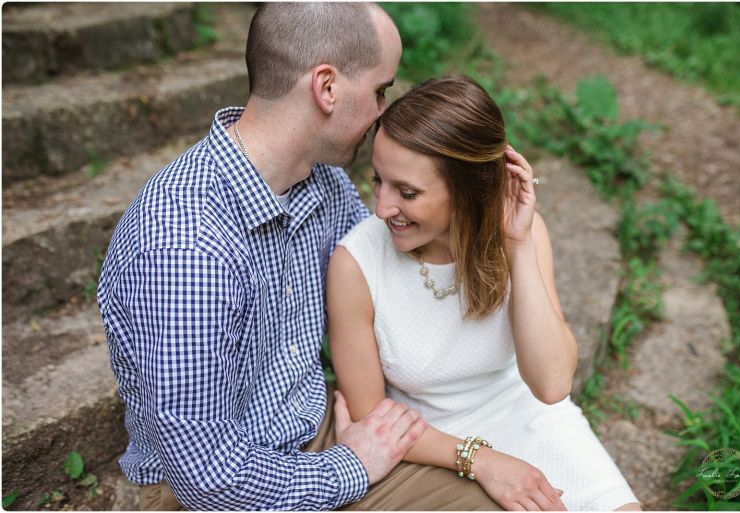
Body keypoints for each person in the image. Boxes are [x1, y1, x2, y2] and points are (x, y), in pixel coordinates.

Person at [97, 4, 429, 510]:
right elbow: (209, 479)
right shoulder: (187, 249)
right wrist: (352, 465)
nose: (384, 110)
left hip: (315, 429)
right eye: (380, 90)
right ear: (327, 88)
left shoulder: (322, 182)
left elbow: (388, 279)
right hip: (234, 488)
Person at [327, 75, 643, 511]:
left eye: (408, 192)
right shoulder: (356, 263)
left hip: (529, 417)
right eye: (378, 180)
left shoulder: (518, 236)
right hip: (426, 443)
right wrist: (481, 459)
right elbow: (369, 416)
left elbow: (551, 385)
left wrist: (518, 246)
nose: (381, 207)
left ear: (467, 189)